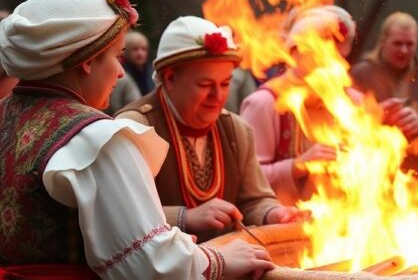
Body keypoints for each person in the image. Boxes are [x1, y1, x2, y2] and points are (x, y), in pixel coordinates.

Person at [0, 0, 272, 280]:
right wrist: (220, 260)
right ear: (87, 61)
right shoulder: (96, 139)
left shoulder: (6, 114)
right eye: (116, 56)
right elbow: (149, 265)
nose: (119, 72)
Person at [116, 16, 301, 242]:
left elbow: (255, 200)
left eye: (225, 84)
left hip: (229, 269)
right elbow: (119, 214)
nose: (218, 96)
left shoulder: (237, 129)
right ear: (170, 77)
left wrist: (275, 213)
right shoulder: (134, 127)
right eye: (205, 85)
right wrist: (185, 217)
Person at [240, 5, 359, 204]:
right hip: (281, 227)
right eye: (320, 56)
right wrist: (297, 165)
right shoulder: (264, 103)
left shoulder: (353, 101)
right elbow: (246, 181)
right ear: (295, 54)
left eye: (337, 57)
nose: (331, 65)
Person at [350, 12, 418, 212]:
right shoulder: (361, 74)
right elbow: (344, 127)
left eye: (410, 44)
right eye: (397, 43)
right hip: (372, 185)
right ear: (382, 42)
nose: (404, 50)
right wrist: (377, 117)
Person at [104, 31, 145, 115]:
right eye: (135, 49)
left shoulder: (148, 72)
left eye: (143, 49)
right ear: (125, 52)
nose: (140, 53)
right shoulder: (121, 78)